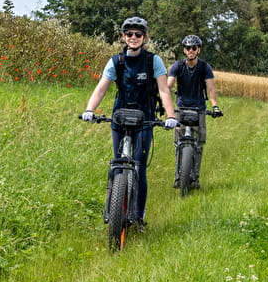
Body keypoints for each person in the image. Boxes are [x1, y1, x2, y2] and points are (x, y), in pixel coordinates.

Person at [80, 16, 180, 229]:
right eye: (129, 34)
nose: (133, 37)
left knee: (139, 166)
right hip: (119, 118)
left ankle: (138, 215)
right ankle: (113, 210)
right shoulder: (116, 61)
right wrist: (90, 109)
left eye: (138, 34)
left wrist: (170, 116)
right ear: (123, 37)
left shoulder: (154, 61)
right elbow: (101, 88)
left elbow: (163, 90)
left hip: (144, 120)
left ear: (144, 37)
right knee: (118, 164)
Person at [166, 34, 223, 188]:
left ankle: (195, 178)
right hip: (182, 108)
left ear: (198, 50)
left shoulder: (205, 67)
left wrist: (215, 106)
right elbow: (168, 85)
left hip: (199, 109)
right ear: (184, 50)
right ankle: (178, 177)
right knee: (178, 143)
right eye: (187, 48)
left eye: (193, 48)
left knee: (198, 145)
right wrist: (163, 101)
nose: (190, 50)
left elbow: (210, 88)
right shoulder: (177, 66)